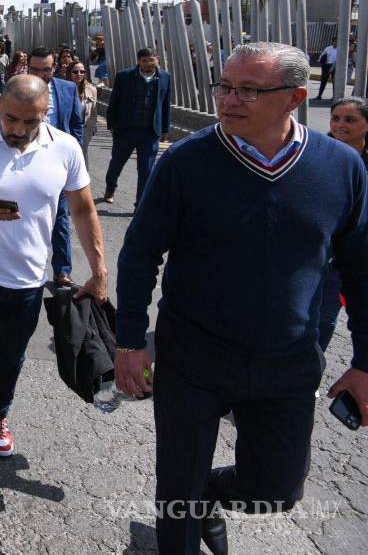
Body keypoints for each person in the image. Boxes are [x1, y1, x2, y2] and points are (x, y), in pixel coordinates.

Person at [114, 43, 368, 554]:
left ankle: (208, 495)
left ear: (295, 97)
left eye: (248, 89)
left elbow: (359, 271)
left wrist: (364, 361)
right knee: (177, 490)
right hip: (194, 355)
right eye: (224, 86)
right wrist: (129, 343)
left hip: (290, 361)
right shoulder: (185, 162)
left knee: (275, 491)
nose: (229, 99)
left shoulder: (341, 168)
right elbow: (140, 255)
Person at [0, 75, 107, 506]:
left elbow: (82, 209)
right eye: (10, 118)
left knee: (11, 358)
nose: (18, 128)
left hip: (27, 278)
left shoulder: (64, 148)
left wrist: (99, 269)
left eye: (30, 120)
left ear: (45, 113)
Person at [27, 47, 84, 286]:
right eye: (35, 70)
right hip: (25, 161)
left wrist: (75, 157)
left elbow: (76, 124)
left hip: (57, 163)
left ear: (55, 68)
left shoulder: (67, 88)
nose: (40, 74)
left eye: (46, 70)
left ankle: (62, 270)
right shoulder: (17, 87)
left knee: (61, 218)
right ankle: (26, 263)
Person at [319, 97, 368, 350]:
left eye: (350, 119)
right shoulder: (315, 155)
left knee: (325, 317)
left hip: (349, 256)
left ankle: (311, 375)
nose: (340, 124)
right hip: (313, 251)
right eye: (335, 118)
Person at [102, 48, 172, 205]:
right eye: (144, 61)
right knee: (117, 163)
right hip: (125, 130)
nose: (148, 64)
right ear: (138, 61)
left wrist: (165, 129)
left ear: (157, 59)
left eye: (151, 60)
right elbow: (114, 101)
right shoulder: (124, 76)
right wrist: (111, 124)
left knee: (146, 170)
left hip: (150, 132)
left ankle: (140, 204)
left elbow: (166, 104)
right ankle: (110, 187)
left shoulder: (165, 77)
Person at [68, 58, 99, 166]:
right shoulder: (63, 88)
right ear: (69, 73)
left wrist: (92, 128)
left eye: (82, 72)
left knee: (82, 158)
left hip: (84, 130)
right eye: (75, 72)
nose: (79, 74)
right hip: (68, 130)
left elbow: (94, 111)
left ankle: (83, 181)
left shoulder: (91, 89)